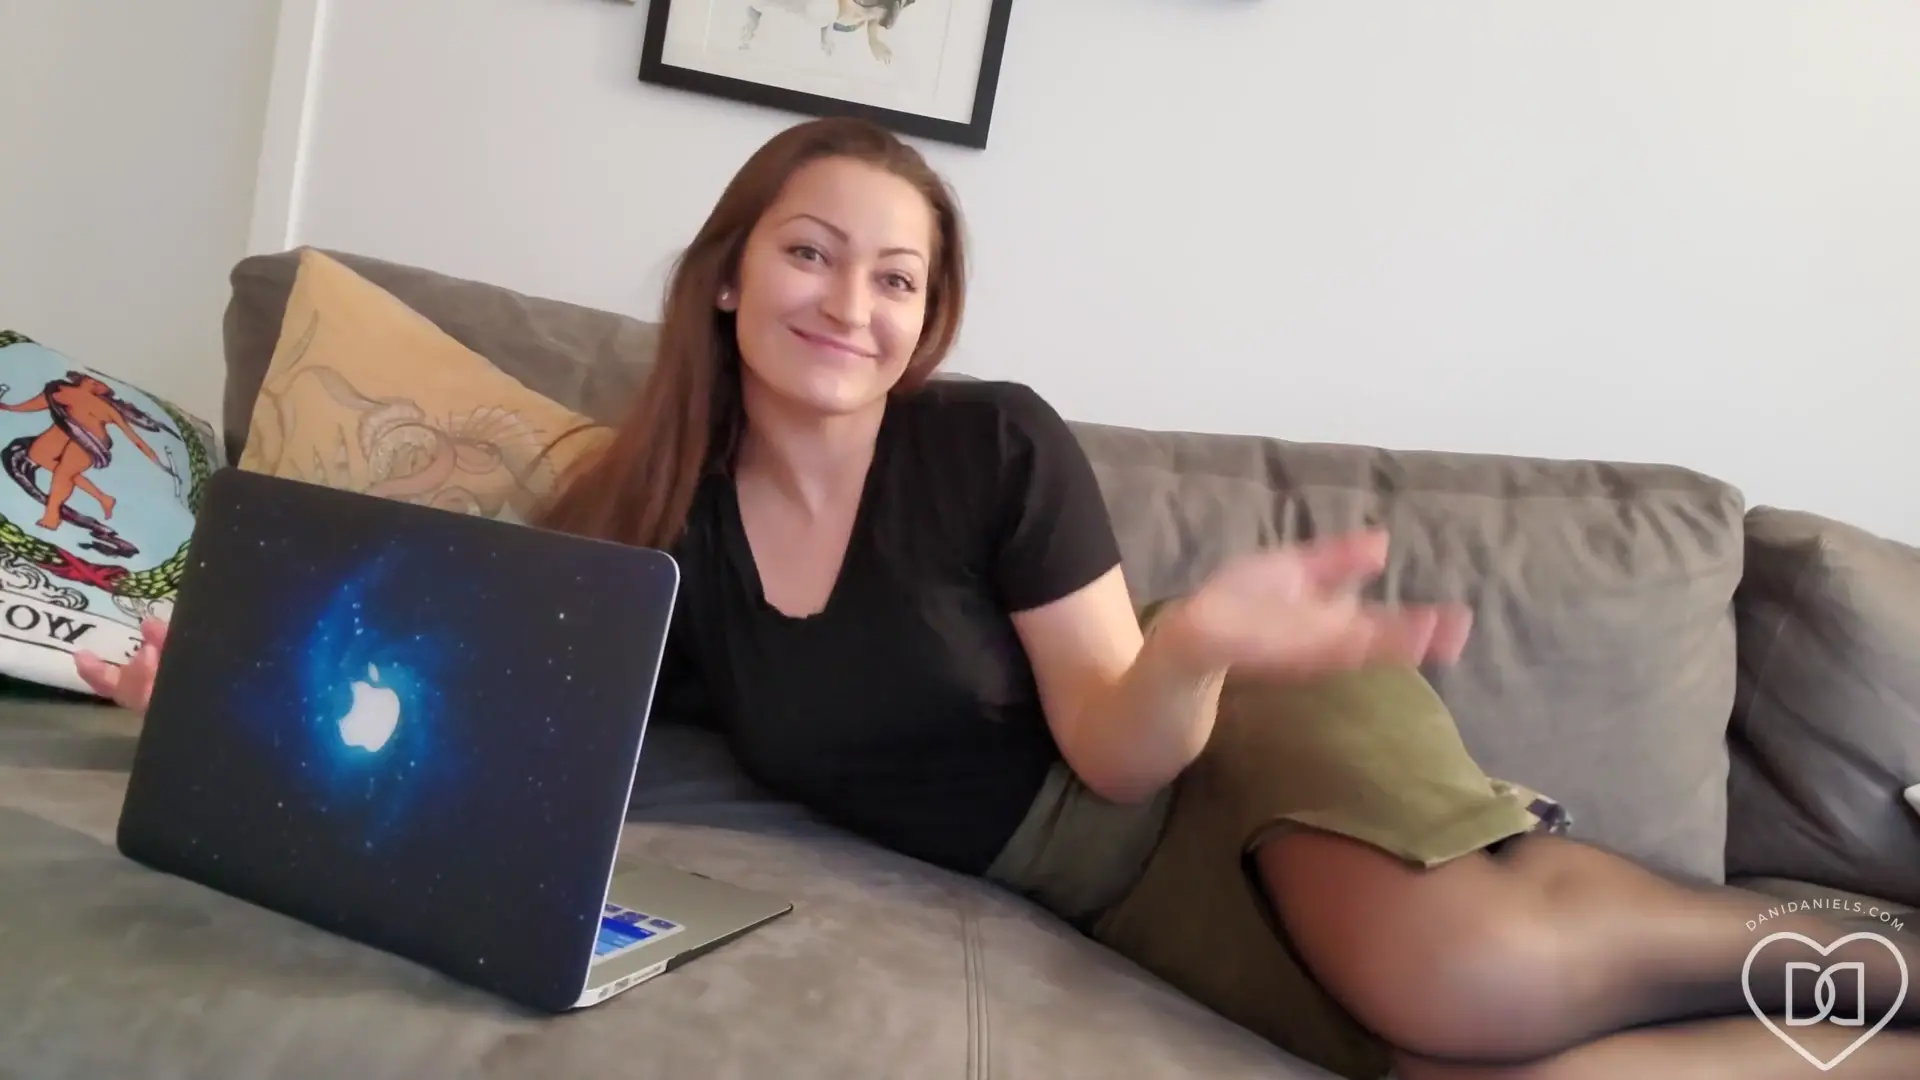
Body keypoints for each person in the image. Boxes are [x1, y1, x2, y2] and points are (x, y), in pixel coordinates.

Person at [78, 118, 1919, 1079]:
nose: (851, 303)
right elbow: (495, 724)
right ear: (727, 275)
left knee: (1466, 973)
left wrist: (1211, 635)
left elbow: (1120, 750)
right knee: (1477, 1066)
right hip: (1112, 883)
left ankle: (1859, 941)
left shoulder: (990, 448)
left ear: (926, 317)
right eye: (812, 253)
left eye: (895, 277)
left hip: (1213, 729)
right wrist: (223, 698)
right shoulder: (654, 529)